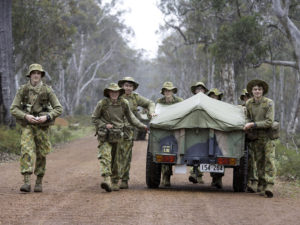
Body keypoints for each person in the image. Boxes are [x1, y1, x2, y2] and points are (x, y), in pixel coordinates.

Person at [10, 64, 63, 192]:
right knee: (26, 150)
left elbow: (59, 108)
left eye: (38, 73)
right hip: (27, 125)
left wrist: (47, 117)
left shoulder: (47, 90)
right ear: (29, 75)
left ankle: (39, 181)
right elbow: (13, 108)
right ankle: (26, 182)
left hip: (42, 127)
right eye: (33, 73)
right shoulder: (23, 90)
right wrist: (25, 116)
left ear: (41, 75)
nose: (36, 75)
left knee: (41, 153)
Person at [91, 83, 147, 192]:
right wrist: (104, 125)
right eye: (112, 92)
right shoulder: (102, 104)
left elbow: (131, 118)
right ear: (108, 93)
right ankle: (106, 179)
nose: (114, 94)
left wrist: (142, 126)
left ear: (119, 93)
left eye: (116, 92)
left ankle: (115, 181)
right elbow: (94, 118)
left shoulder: (123, 103)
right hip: (105, 135)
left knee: (116, 160)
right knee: (105, 156)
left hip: (118, 135)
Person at [117, 77, 155, 189]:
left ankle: (124, 180)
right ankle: (113, 178)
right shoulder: (116, 96)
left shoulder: (136, 98)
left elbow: (150, 103)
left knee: (126, 156)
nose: (128, 88)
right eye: (126, 85)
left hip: (129, 130)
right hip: (115, 130)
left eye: (130, 86)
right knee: (114, 155)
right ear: (122, 86)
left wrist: (151, 112)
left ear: (133, 88)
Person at [244, 80, 276, 198]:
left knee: (269, 160)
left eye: (259, 89)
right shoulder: (249, 103)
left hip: (267, 136)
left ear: (263, 91)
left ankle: (270, 185)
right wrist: (248, 124)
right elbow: (247, 117)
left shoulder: (269, 103)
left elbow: (269, 121)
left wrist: (253, 125)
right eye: (255, 89)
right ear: (251, 91)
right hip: (256, 137)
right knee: (259, 162)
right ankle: (262, 185)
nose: (257, 91)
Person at [156, 81, 183, 187]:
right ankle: (166, 177)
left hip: (177, 128)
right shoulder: (159, 101)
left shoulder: (180, 101)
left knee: (179, 151)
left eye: (170, 90)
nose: (168, 92)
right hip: (164, 129)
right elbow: (156, 112)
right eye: (166, 90)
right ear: (163, 92)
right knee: (165, 152)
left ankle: (196, 175)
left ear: (173, 91)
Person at [188, 81, 209, 184]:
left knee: (204, 153)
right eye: (197, 89)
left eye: (201, 89)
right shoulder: (190, 101)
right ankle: (195, 174)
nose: (199, 91)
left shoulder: (209, 102)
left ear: (204, 91)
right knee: (193, 153)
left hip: (207, 130)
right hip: (192, 130)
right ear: (195, 91)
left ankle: (198, 175)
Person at [207, 88, 224, 189]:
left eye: (216, 96)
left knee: (219, 156)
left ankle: (217, 179)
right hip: (204, 135)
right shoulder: (203, 107)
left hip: (219, 134)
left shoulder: (222, 108)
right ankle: (195, 175)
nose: (214, 98)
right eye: (212, 96)